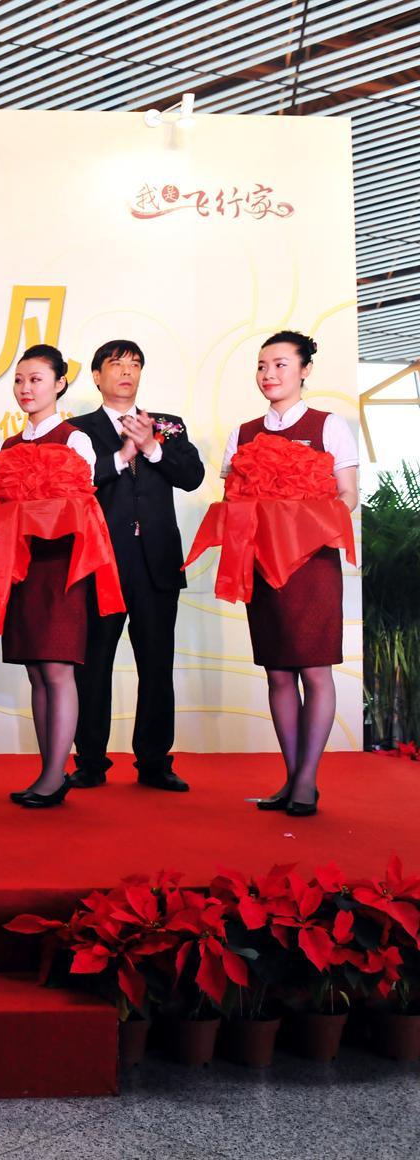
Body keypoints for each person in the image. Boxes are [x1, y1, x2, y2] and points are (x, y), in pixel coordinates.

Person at [225, 331, 359, 817]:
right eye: (262, 366)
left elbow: (348, 495)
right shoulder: (243, 433)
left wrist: (304, 524)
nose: (269, 375)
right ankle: (291, 776)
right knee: (278, 671)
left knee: (315, 670)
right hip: (264, 565)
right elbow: (233, 499)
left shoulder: (328, 425)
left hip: (311, 564)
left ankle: (306, 782)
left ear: (305, 370)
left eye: (280, 365)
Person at [68, 340, 205, 793]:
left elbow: (193, 477)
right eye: (116, 364)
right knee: (93, 665)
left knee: (156, 664)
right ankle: (90, 761)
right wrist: (120, 457)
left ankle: (154, 761)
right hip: (102, 562)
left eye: (135, 364)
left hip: (157, 562)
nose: (127, 372)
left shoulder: (167, 425)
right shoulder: (78, 430)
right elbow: (75, 483)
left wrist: (152, 447)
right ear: (96, 376)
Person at [0, 344, 100, 808]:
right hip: (23, 568)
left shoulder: (75, 440)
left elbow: (81, 508)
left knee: (57, 669)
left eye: (35, 379)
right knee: (36, 671)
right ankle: (47, 771)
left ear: (59, 384)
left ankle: (56, 775)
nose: (25, 388)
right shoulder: (9, 446)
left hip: (61, 567)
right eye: (19, 380)